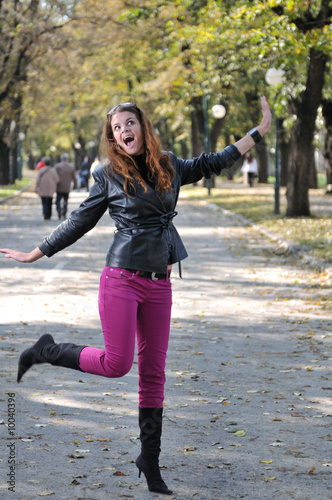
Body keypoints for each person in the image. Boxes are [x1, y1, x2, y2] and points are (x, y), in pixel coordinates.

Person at [0, 97, 271, 495]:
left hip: (160, 282)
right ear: (112, 138)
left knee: (154, 374)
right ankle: (48, 351)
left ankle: (151, 460)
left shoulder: (171, 165)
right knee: (117, 364)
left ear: (142, 126)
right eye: (116, 128)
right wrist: (36, 252)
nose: (123, 131)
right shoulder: (108, 174)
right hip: (121, 279)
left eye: (129, 123)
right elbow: (79, 221)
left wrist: (259, 131)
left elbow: (216, 160)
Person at [54, 153, 78, 219]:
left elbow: (54, 176)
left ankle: (59, 210)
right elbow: (74, 178)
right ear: (67, 159)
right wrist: (75, 186)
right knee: (65, 200)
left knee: (58, 200)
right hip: (67, 187)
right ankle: (64, 213)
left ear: (61, 158)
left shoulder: (57, 166)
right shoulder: (71, 167)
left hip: (59, 186)